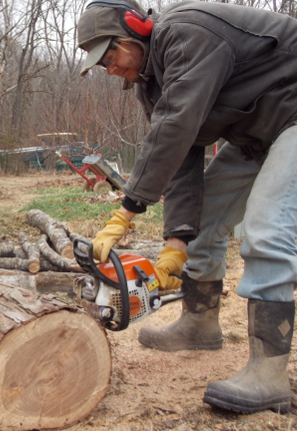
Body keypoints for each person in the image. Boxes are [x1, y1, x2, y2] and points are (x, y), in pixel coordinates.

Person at [77, 0, 297, 414]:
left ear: (137, 30)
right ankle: (200, 322)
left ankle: (269, 374)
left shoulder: (185, 33)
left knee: (267, 227)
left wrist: (126, 210)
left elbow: (176, 123)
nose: (109, 69)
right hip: (258, 130)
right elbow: (180, 156)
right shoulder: (152, 83)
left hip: (292, 116)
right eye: (100, 65)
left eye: (110, 56)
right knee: (203, 220)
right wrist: (177, 243)